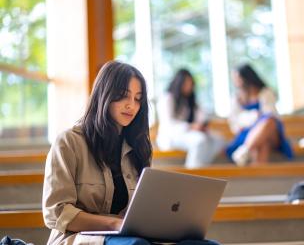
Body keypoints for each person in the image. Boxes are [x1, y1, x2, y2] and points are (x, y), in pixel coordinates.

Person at [42, 61, 220, 245]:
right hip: (80, 239)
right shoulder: (69, 142)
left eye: (137, 98)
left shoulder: (139, 147)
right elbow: (56, 212)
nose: (131, 106)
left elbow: (138, 211)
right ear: (104, 95)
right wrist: (113, 224)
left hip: (128, 236)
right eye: (123, 96)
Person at [156, 68, 225, 168]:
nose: (189, 87)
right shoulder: (167, 98)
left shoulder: (190, 101)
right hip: (171, 135)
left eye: (190, 84)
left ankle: (200, 167)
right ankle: (192, 172)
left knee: (219, 140)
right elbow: (168, 124)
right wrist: (191, 127)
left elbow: (202, 116)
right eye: (186, 83)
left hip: (189, 133)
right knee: (200, 141)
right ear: (179, 83)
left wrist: (201, 125)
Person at [226, 64, 293, 166]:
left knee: (270, 121)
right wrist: (253, 117)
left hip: (270, 131)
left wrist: (256, 119)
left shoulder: (265, 93)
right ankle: (255, 168)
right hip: (248, 134)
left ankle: (245, 150)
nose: (235, 82)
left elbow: (271, 114)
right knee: (263, 143)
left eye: (237, 78)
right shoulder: (236, 99)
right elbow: (235, 124)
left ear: (246, 77)